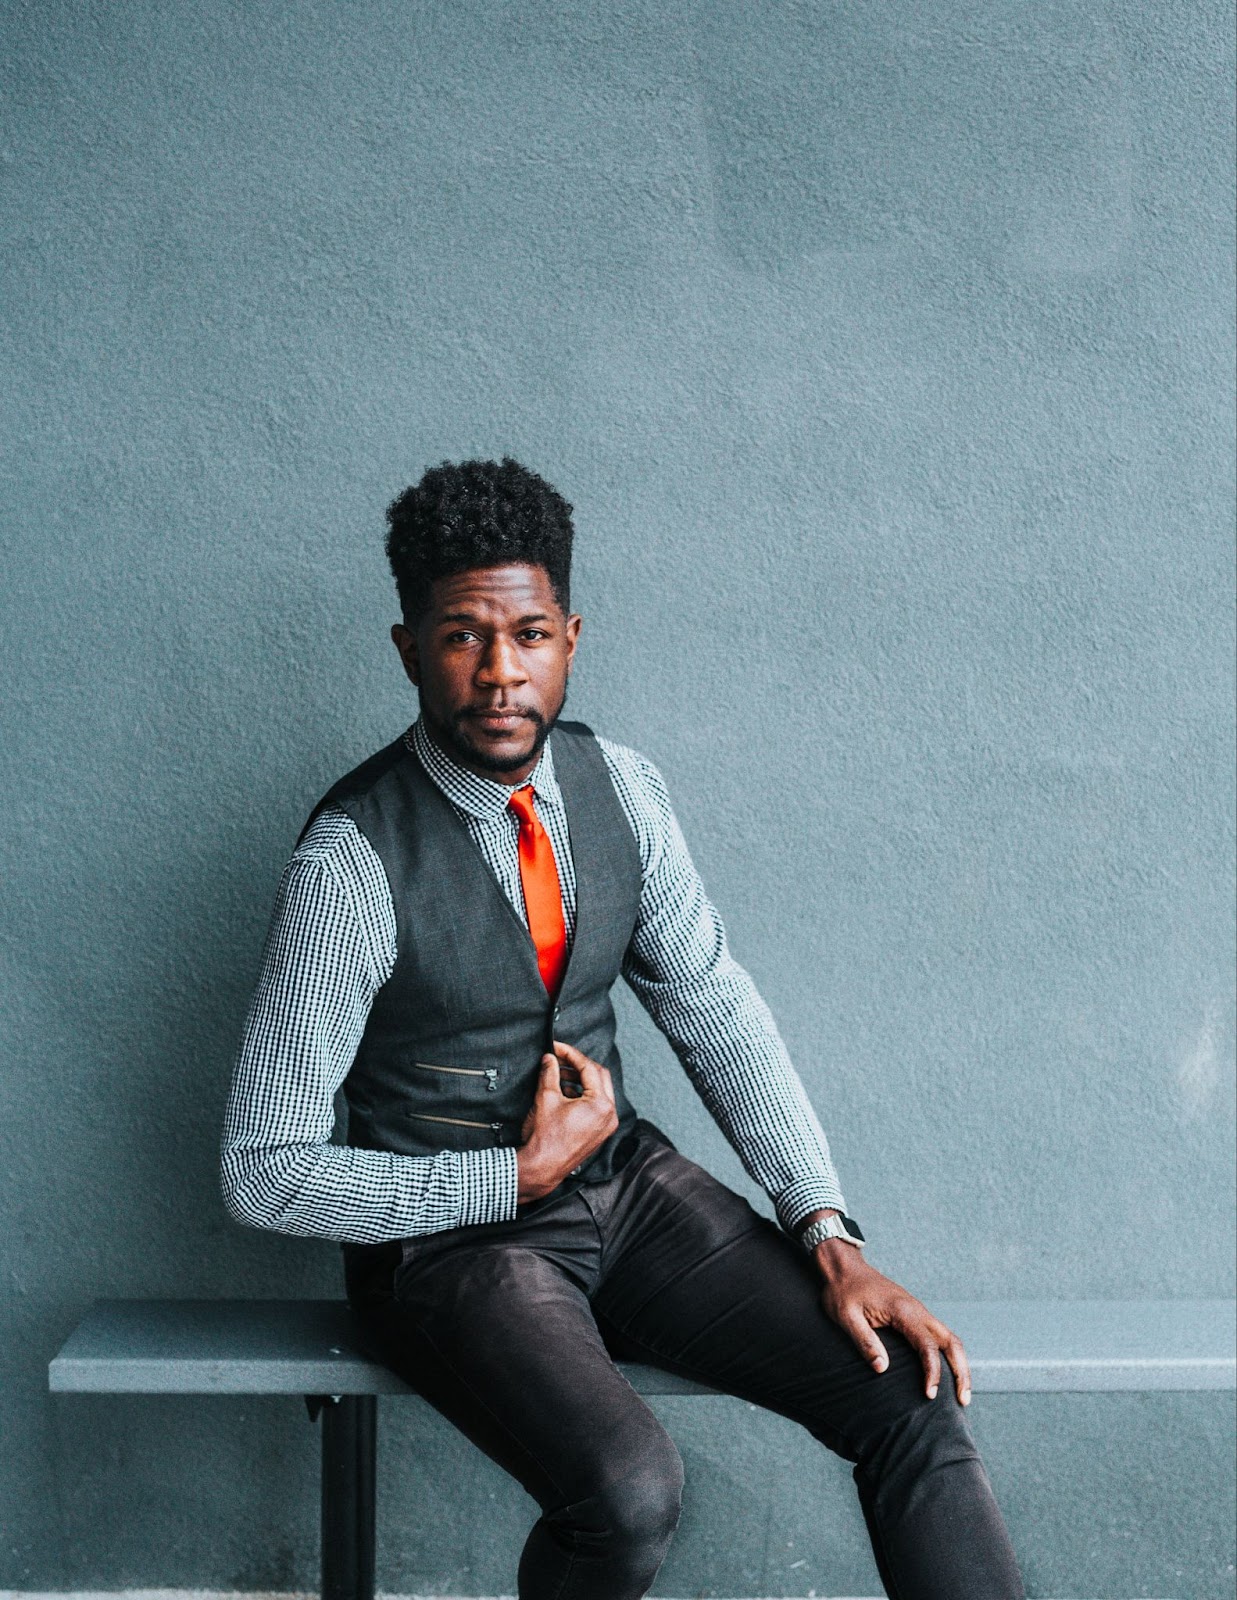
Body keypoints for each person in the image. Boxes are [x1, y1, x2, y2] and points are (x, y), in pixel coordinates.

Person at [221, 457, 1025, 1600]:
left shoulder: (623, 789)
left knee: (909, 1393)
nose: (501, 673)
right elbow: (261, 1173)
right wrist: (507, 1175)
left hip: (626, 1190)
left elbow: (714, 1010)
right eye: (462, 638)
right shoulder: (349, 862)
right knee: (629, 1488)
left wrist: (829, 1234)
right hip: (452, 1252)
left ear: (571, 636)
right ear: (408, 647)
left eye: (530, 633)